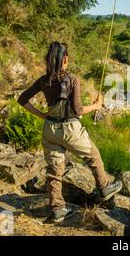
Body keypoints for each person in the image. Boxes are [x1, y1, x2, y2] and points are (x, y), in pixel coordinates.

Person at [17, 42, 123, 223]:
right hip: (70, 130)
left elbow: (22, 99)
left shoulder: (44, 80)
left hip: (50, 130)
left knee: (54, 171)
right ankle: (104, 187)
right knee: (94, 157)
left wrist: (42, 115)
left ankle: (57, 209)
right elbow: (78, 110)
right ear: (65, 59)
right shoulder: (73, 80)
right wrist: (97, 106)